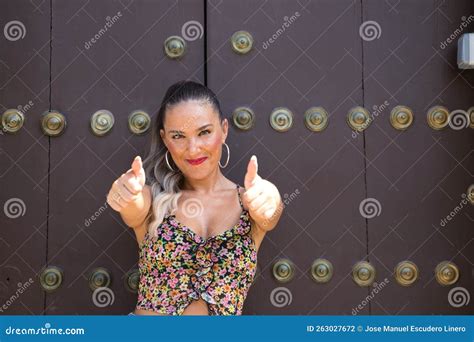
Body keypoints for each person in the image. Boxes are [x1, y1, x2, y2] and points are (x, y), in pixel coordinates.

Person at [106, 80, 283, 315]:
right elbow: (133, 207)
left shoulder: (250, 201)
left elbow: (270, 213)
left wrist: (272, 198)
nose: (193, 148)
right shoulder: (154, 198)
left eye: (204, 132)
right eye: (178, 136)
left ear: (224, 130)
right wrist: (126, 193)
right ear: (165, 139)